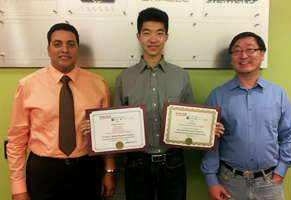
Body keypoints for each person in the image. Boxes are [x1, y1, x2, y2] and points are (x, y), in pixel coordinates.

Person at [113, 7, 224, 200]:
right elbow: (116, 125)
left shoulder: (181, 76)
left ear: (166, 36)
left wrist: (206, 130)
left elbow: (192, 121)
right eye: (147, 33)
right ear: (138, 36)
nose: (153, 39)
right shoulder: (124, 78)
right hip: (137, 163)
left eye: (159, 33)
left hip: (172, 162)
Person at [6, 23, 116, 200]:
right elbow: (16, 139)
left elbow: (108, 135)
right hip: (44, 171)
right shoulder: (28, 85)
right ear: (48, 49)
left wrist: (109, 170)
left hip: (86, 170)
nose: (64, 49)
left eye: (71, 44)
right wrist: (18, 187)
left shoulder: (98, 85)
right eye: (57, 44)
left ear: (77, 50)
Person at [200, 32, 291, 200]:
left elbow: (290, 135)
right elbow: (209, 141)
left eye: (250, 49)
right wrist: (211, 181)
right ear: (231, 58)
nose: (243, 55)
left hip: (269, 183)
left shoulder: (278, 94)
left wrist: (280, 172)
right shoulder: (217, 95)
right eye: (237, 51)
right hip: (229, 182)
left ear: (262, 54)